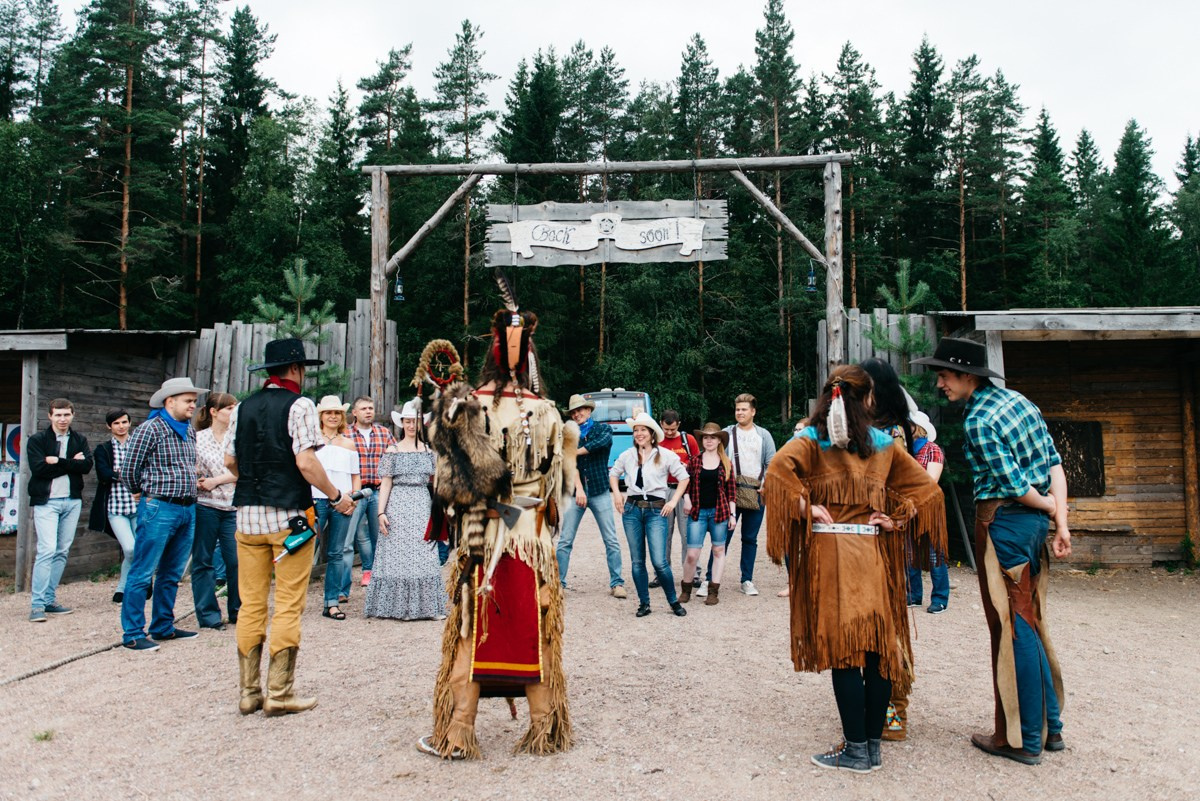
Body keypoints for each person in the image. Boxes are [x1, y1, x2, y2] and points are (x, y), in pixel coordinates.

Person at [764, 365, 945, 774]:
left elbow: (774, 478)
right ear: (868, 400)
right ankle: (873, 747)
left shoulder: (810, 441)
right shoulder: (883, 444)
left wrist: (803, 507)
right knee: (878, 650)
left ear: (827, 398)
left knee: (845, 653)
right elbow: (927, 492)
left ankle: (856, 750)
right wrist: (897, 519)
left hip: (831, 555)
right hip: (875, 555)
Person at [419, 307, 574, 759]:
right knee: (536, 624)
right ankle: (545, 730)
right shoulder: (546, 410)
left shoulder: (465, 407)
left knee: (471, 627)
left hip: (481, 538)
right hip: (532, 540)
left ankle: (458, 734)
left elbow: (446, 487)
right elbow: (552, 488)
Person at [913, 337, 1070, 766]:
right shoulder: (1020, 401)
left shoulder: (979, 420)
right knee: (1030, 620)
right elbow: (1055, 463)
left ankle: (1020, 740)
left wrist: (1049, 506)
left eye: (944, 375)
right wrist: (1060, 522)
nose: (940, 383)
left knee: (1012, 625)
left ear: (967, 376)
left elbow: (1017, 485)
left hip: (1005, 525)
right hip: (1032, 528)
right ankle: (1050, 728)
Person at [226, 338, 354, 716]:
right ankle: (279, 693)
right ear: (296, 370)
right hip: (289, 520)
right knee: (287, 604)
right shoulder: (299, 405)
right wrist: (334, 496)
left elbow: (230, 461)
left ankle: (249, 692)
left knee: (250, 604)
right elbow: (307, 464)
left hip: (247, 518)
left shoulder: (243, 406)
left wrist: (251, 481)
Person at [120, 378, 206, 651]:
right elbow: (129, 469)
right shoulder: (150, 429)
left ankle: (163, 627)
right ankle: (133, 633)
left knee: (171, 573)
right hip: (159, 507)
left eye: (194, 400)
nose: (193, 405)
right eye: (188, 400)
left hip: (187, 507)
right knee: (143, 571)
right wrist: (143, 492)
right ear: (170, 401)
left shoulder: (189, 431)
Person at [367, 400, 444, 620]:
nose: (411, 425)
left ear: (421, 424)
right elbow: (386, 483)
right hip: (398, 503)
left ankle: (427, 608)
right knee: (396, 554)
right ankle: (395, 607)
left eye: (414, 421)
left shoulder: (429, 451)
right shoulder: (393, 450)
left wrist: (439, 509)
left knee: (424, 552)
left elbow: (437, 482)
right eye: (407, 421)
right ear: (402, 424)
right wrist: (381, 512)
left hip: (421, 502)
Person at [609, 412, 690, 618]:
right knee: (637, 561)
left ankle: (673, 601)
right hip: (632, 509)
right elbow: (613, 473)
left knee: (659, 561)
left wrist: (673, 501)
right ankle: (644, 603)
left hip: (656, 509)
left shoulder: (665, 455)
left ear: (652, 434)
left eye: (643, 430)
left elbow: (684, 478)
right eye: (636, 430)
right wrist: (617, 494)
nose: (638, 433)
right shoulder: (627, 455)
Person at [700, 393, 775, 598]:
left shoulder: (764, 435)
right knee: (721, 538)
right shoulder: (726, 433)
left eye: (743, 409)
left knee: (750, 538)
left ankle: (747, 579)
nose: (739, 413)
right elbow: (714, 456)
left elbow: (771, 463)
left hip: (755, 492)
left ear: (753, 411)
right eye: (737, 409)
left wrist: (765, 483)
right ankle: (709, 579)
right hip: (729, 492)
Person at [27, 398, 92, 622]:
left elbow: (86, 466)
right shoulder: (37, 440)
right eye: (58, 415)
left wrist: (59, 461)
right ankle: (37, 606)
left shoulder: (79, 439)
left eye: (66, 415)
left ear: (73, 415)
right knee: (46, 550)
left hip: (72, 501)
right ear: (50, 416)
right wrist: (70, 463)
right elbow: (39, 469)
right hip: (47, 501)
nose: (62, 419)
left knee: (62, 551)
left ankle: (49, 600)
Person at [555, 394, 625, 598]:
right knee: (565, 540)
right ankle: (559, 583)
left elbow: (597, 445)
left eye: (581, 410)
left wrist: (570, 452)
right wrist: (578, 489)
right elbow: (569, 465)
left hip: (600, 490)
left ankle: (617, 582)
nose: (577, 414)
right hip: (576, 491)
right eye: (574, 412)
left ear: (589, 410)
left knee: (610, 539)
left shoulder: (603, 429)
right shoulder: (568, 434)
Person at [192, 391, 240, 630]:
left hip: (233, 506)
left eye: (235, 408)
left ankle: (238, 611)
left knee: (236, 561)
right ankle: (208, 614)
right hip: (205, 506)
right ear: (214, 412)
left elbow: (244, 471)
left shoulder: (239, 438)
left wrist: (216, 480)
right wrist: (202, 480)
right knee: (203, 561)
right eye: (229, 408)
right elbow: (193, 470)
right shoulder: (198, 439)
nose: (234, 412)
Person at [342, 396, 396, 593]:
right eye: (363, 408)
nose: (368, 411)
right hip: (355, 492)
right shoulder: (345, 434)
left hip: (377, 491)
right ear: (354, 413)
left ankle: (378, 577)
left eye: (371, 408)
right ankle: (346, 584)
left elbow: (396, 459)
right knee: (351, 538)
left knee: (380, 535)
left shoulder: (384, 433)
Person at [312, 395, 359, 621]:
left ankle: (331, 602)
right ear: (321, 416)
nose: (333, 416)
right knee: (306, 548)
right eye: (328, 412)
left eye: (337, 413)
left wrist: (353, 499)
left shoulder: (348, 443)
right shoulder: (311, 440)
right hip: (315, 499)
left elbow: (355, 476)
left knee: (336, 552)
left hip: (342, 500)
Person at [679, 422, 736, 606]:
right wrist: (686, 498)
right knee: (692, 553)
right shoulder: (694, 461)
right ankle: (686, 588)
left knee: (719, 550)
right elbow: (685, 484)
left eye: (713, 437)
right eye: (705, 437)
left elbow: (731, 492)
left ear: (719, 440)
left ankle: (713, 590)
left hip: (719, 513)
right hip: (698, 512)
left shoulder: (727, 463)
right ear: (702, 440)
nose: (709, 440)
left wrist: (733, 515)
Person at [90, 409, 139, 604]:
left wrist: (117, 473)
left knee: (141, 548)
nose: (121, 426)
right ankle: (133, 584)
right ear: (109, 426)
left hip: (138, 506)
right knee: (129, 548)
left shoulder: (137, 444)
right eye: (117, 423)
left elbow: (145, 470)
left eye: (124, 422)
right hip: (116, 507)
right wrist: (126, 474)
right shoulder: (103, 449)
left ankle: (125, 588)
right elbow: (103, 474)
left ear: (129, 423)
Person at [656, 410, 697, 585]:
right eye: (666, 429)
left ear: (679, 425)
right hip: (663, 490)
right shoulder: (656, 440)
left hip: (685, 490)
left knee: (687, 534)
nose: (669, 433)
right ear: (660, 424)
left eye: (673, 429)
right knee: (663, 534)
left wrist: (685, 466)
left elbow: (698, 464)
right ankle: (662, 573)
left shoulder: (689, 441)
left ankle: (692, 573)